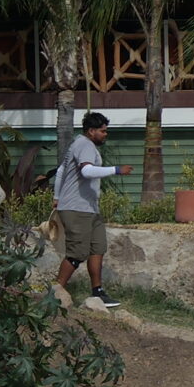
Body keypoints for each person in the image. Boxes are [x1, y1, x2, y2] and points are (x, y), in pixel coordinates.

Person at [52, 112, 119, 310]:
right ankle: (55, 291)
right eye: (102, 131)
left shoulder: (78, 144)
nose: (105, 134)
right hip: (76, 208)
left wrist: (56, 197)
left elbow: (60, 172)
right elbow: (87, 171)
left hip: (89, 208)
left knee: (98, 247)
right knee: (77, 252)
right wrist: (115, 170)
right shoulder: (84, 145)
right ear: (91, 131)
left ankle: (97, 292)